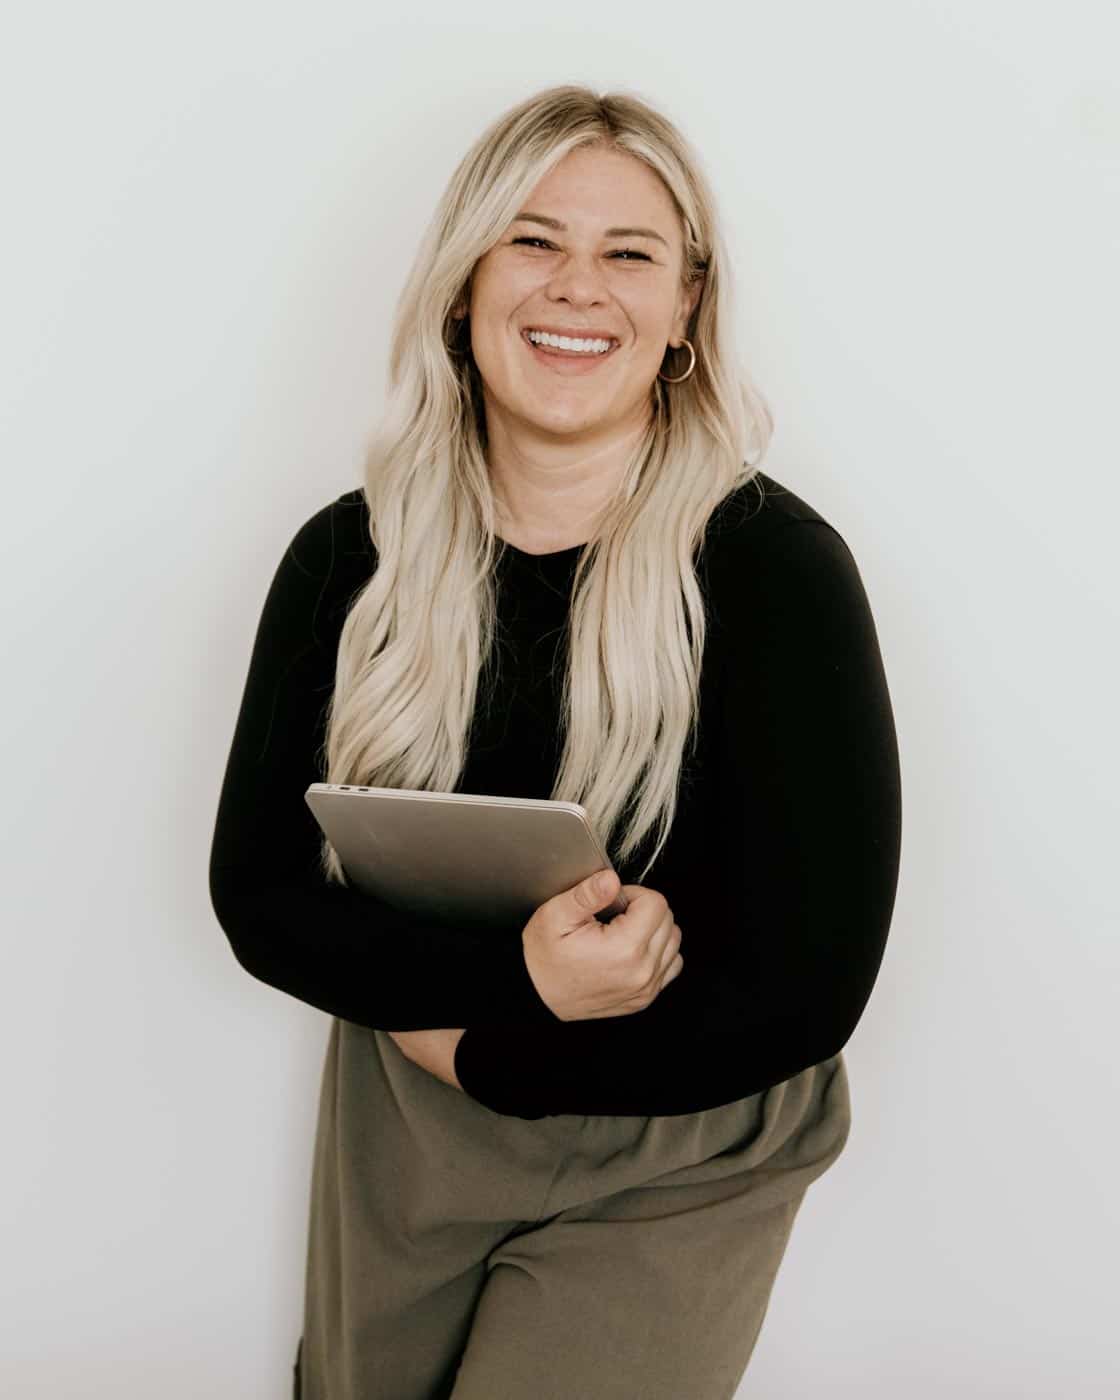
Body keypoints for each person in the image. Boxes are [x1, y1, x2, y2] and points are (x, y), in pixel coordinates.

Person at [208, 83, 902, 1400]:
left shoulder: (775, 572)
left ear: (688, 308)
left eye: (629, 253)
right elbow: (258, 895)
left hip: (682, 1145)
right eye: (533, 240)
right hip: (405, 1133)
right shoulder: (345, 559)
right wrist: (507, 984)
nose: (577, 287)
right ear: (463, 284)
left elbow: (810, 989)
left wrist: (480, 1038)